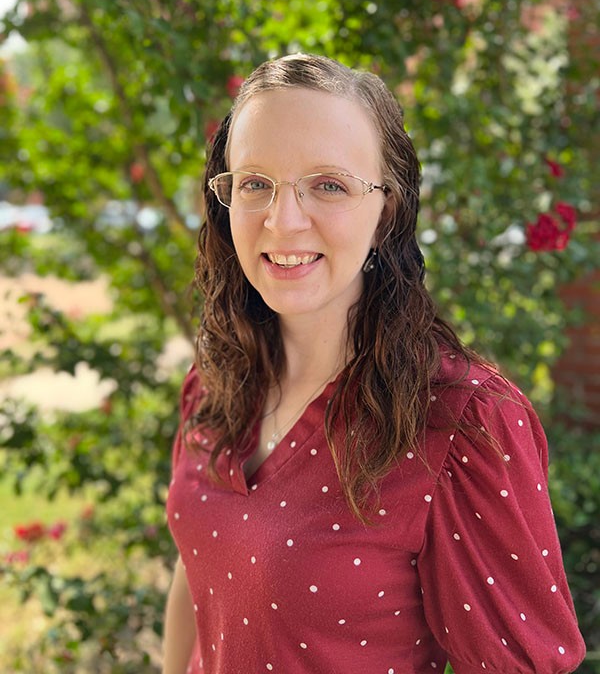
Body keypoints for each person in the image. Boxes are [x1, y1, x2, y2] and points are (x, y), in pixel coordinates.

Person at [162, 54, 586, 674]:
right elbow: (198, 580)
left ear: (386, 207)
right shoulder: (216, 382)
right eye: (255, 183)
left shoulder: (460, 423)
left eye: (328, 185)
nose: (282, 221)